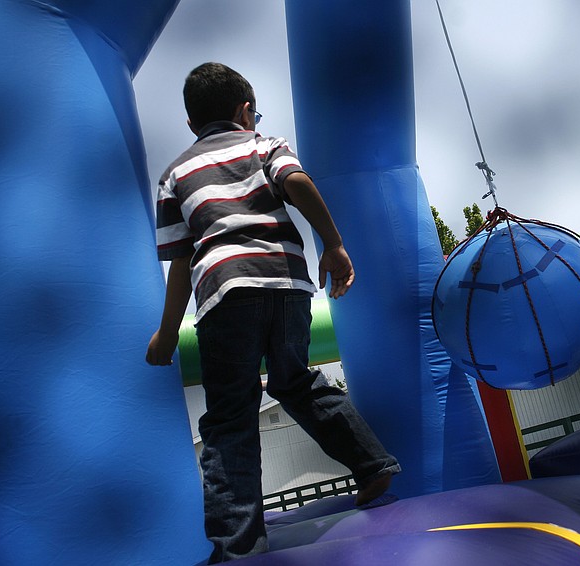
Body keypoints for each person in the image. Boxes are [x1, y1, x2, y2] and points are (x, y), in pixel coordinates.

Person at [145, 62, 400, 563]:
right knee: (295, 380)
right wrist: (334, 244)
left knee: (228, 419)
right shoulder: (264, 144)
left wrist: (168, 333)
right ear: (246, 111)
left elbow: (179, 264)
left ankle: (239, 544)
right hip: (286, 284)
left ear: (193, 125)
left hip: (224, 293)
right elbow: (297, 182)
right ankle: (370, 465)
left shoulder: (174, 173)